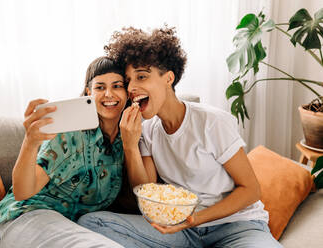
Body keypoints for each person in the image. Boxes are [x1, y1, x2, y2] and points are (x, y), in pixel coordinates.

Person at [77, 27, 283, 248]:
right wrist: (130, 145)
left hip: (236, 226)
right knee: (92, 223)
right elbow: (145, 193)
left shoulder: (211, 122)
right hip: (180, 232)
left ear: (168, 78)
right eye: (128, 81)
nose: (132, 88)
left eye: (142, 76)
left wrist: (194, 220)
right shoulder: (148, 131)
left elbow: (251, 190)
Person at [0, 56, 128, 248]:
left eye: (117, 85)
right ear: (89, 92)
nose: (109, 94)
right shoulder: (72, 132)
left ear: (127, 92)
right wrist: (30, 143)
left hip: (70, 227)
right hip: (24, 218)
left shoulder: (126, 137)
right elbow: (23, 191)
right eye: (100, 87)